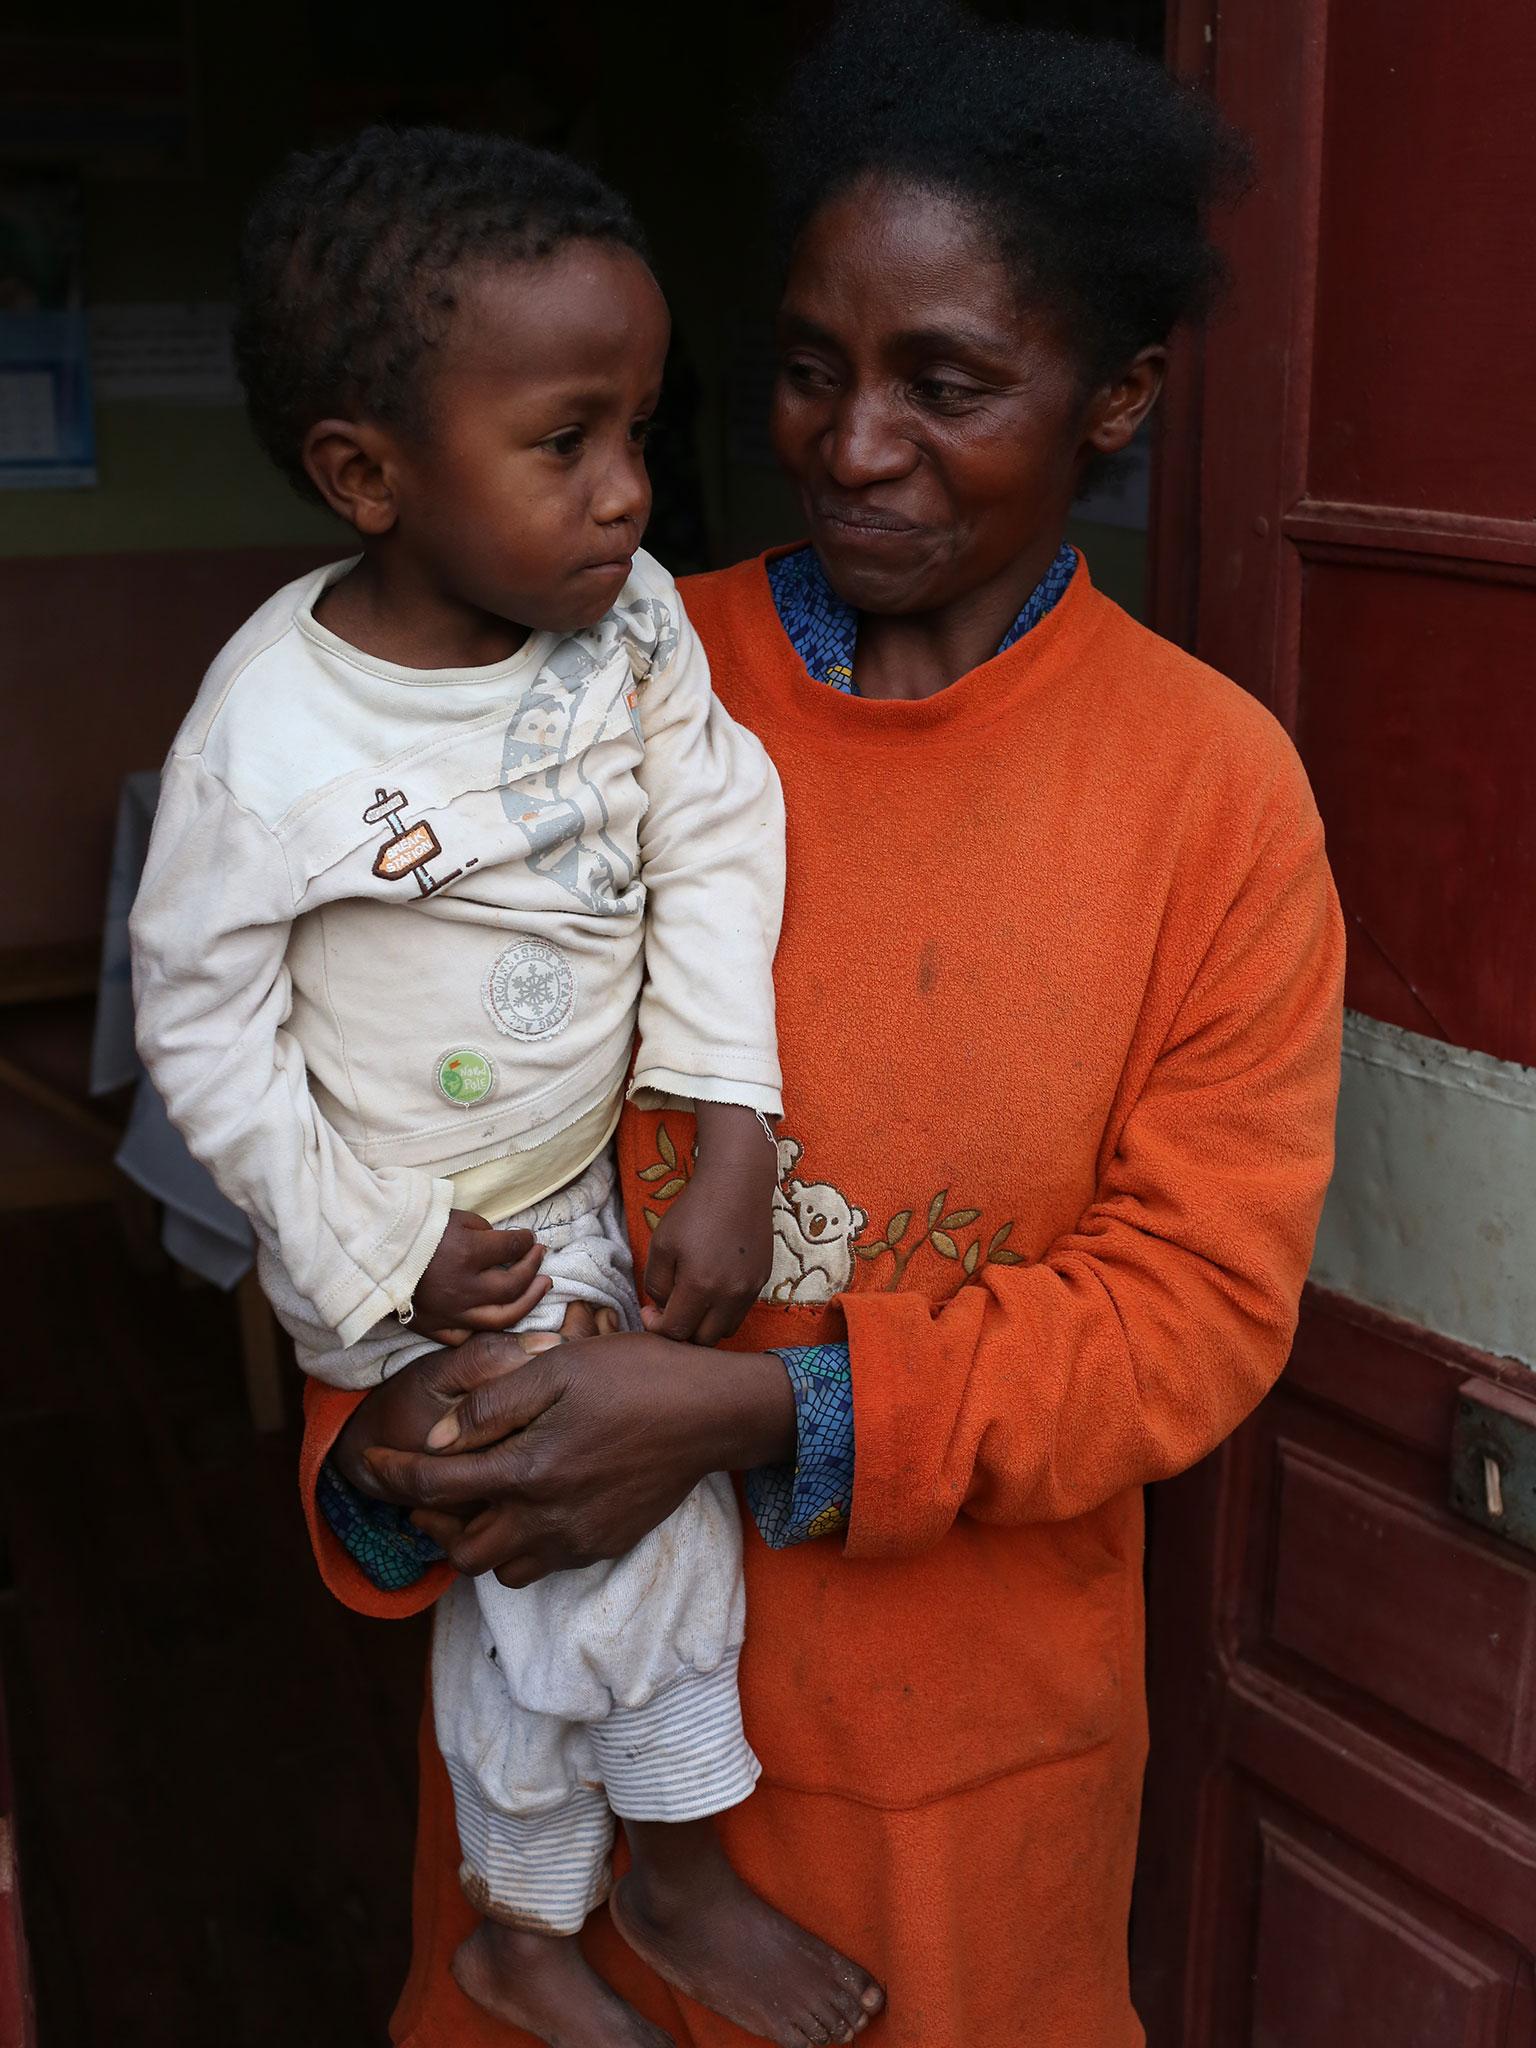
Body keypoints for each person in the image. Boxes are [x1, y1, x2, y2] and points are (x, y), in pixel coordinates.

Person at [304, 9, 1345, 2046]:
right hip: (564, 1759)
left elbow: (1194, 1311)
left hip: (950, 1782)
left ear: (1117, 395)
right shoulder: (584, 689)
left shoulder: (1207, 792)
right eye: (808, 369)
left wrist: (761, 1413)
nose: (855, 443)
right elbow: (396, 1100)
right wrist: (394, 1448)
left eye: (945, 385)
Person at [129, 128, 883, 2048]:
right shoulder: (269, 736)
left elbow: (719, 830)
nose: (634, 494)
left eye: (643, 426)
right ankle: (680, 1873)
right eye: (567, 441)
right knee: (617, 1527)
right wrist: (381, 1247)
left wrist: (730, 1127)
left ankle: (523, 1919)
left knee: (520, 1571)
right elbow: (202, 1021)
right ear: (366, 477)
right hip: (402, 1245)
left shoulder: (627, 637)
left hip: (576, 1192)